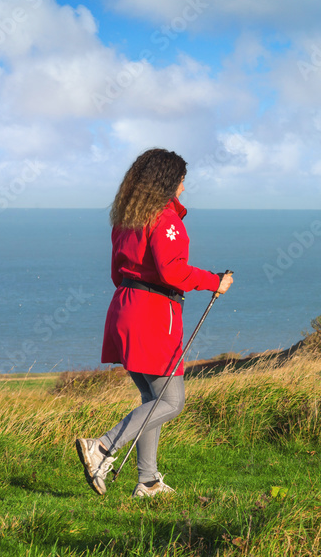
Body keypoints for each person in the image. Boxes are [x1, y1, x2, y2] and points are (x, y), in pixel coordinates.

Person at [75, 148, 234, 498]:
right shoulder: (165, 219)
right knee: (171, 402)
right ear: (168, 182)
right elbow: (172, 271)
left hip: (125, 307)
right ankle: (101, 447)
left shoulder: (126, 216)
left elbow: (117, 272)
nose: (182, 189)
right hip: (152, 314)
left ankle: (147, 482)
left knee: (151, 399)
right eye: (180, 182)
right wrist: (214, 281)